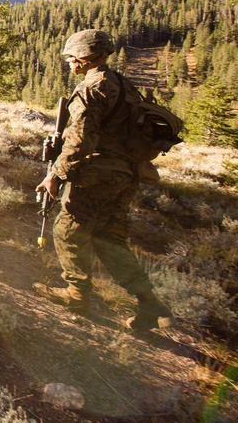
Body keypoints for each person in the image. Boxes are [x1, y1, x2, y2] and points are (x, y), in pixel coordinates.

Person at [34, 28, 172, 333]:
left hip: (98, 175)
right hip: (127, 175)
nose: (69, 63)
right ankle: (149, 303)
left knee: (68, 230)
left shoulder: (91, 88)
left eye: (72, 57)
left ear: (86, 57)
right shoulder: (122, 86)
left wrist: (55, 175)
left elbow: (81, 142)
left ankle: (77, 295)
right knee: (110, 238)